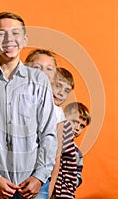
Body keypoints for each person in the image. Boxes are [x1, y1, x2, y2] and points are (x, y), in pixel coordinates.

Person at [0, 12, 57, 199]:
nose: (9, 39)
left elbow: (48, 133)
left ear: (24, 39)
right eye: (1, 33)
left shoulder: (39, 80)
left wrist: (39, 177)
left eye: (15, 33)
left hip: (34, 185)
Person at [24, 50, 75, 197]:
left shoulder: (57, 114)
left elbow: (55, 158)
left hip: (40, 183)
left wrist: (48, 189)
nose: (43, 73)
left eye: (49, 68)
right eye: (37, 67)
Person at [52, 102, 91, 199]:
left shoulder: (77, 153)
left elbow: (78, 175)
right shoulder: (51, 140)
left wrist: (71, 182)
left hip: (62, 193)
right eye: (75, 122)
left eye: (82, 126)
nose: (77, 128)